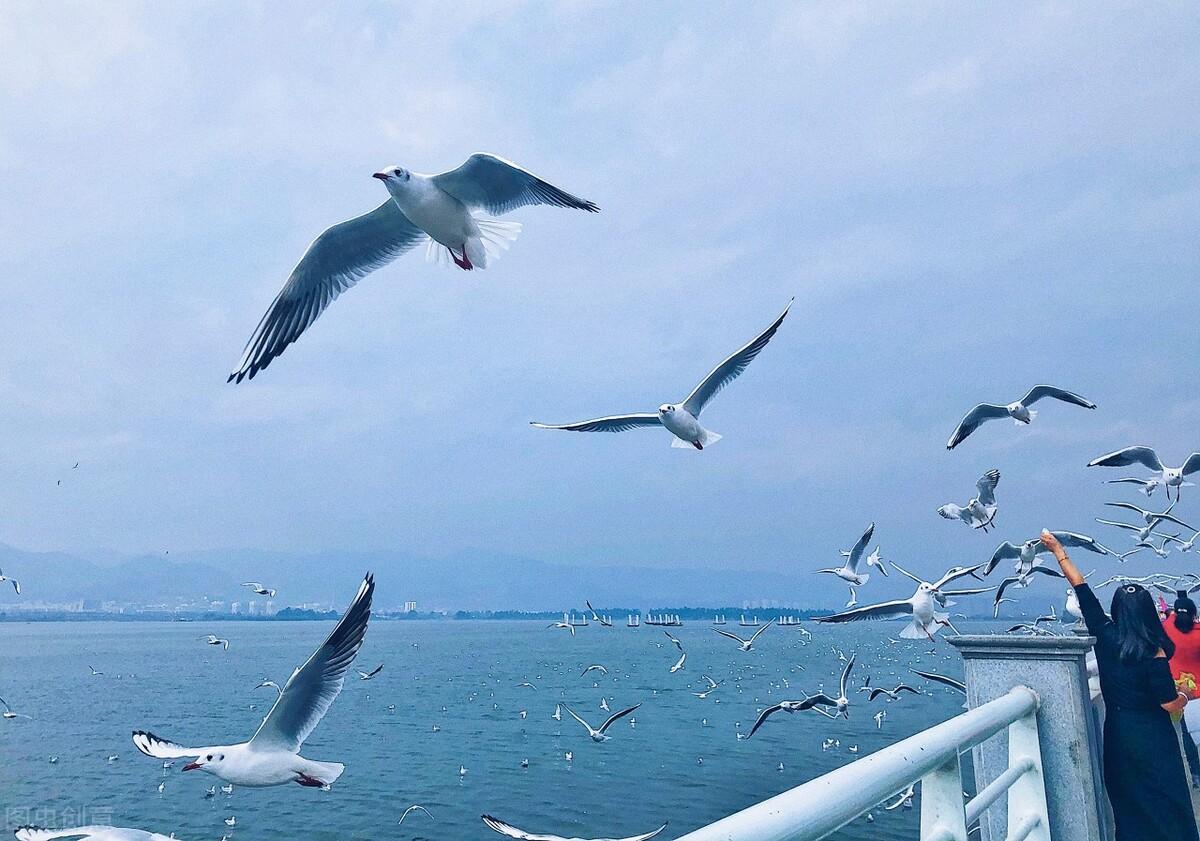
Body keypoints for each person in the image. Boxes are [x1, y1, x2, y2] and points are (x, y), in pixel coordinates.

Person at [1044, 529, 1199, 841]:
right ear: (1148, 614)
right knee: (1165, 799)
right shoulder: (1154, 652)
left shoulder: (1105, 634)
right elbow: (1167, 703)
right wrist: (1184, 694)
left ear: (1116, 610)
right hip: (1153, 737)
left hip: (1118, 733)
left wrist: (1059, 551)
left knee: (1128, 800)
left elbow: (1082, 588)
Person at [1163, 589, 1200, 788]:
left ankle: (1196, 774)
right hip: (1198, 693)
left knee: (1187, 734)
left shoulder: (1168, 627)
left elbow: (1170, 616)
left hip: (1177, 693)